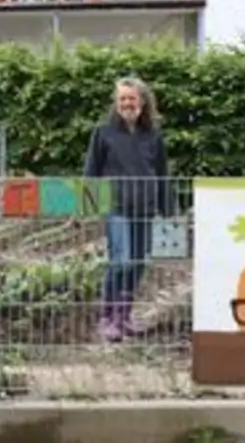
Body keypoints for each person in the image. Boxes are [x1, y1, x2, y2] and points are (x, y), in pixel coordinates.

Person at [83, 77, 172, 342]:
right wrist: (89, 205)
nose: (127, 103)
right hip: (116, 206)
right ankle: (107, 318)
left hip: (144, 208)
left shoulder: (153, 136)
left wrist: (168, 209)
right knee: (120, 261)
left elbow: (163, 173)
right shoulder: (104, 132)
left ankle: (124, 317)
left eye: (131, 98)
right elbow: (92, 169)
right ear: (116, 103)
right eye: (122, 99)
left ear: (142, 102)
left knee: (138, 263)